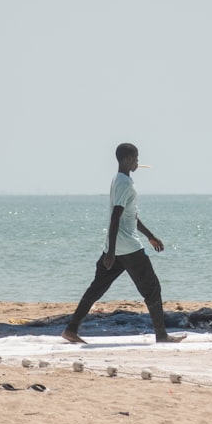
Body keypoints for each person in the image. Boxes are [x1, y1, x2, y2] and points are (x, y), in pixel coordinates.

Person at [62, 143, 186, 344]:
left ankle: (71, 330)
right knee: (152, 289)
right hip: (128, 248)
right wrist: (111, 252)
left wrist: (150, 236)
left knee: (96, 289)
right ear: (127, 159)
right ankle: (162, 335)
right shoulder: (124, 183)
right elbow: (115, 217)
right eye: (136, 158)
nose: (138, 162)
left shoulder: (120, 180)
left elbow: (130, 216)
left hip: (118, 247)